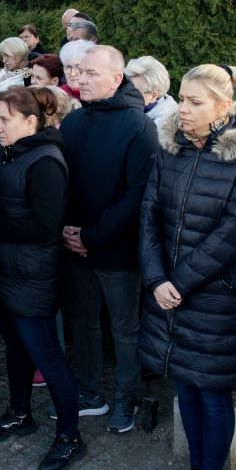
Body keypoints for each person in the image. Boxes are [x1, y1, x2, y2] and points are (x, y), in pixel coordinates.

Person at [138, 65, 236, 470]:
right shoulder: (170, 150)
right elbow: (149, 216)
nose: (183, 110)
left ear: (223, 108)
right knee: (186, 387)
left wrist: (180, 282)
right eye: (181, 98)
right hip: (170, 293)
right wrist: (157, 277)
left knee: (212, 395)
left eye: (196, 102)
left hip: (214, 296)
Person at [0, 87, 86, 470]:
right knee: (15, 349)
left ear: (30, 122)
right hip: (3, 271)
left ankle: (71, 436)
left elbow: (44, 228)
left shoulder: (46, 161)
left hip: (32, 275)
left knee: (47, 356)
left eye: (5, 119)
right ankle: (19, 413)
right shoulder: (6, 155)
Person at [60, 45, 160, 433]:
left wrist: (93, 236)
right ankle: (89, 394)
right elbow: (64, 182)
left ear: (116, 79)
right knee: (82, 323)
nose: (80, 79)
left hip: (116, 250)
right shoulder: (73, 123)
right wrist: (69, 231)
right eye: (79, 72)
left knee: (124, 329)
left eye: (90, 74)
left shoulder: (139, 126)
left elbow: (138, 195)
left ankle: (126, 398)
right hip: (75, 246)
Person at [124, 55, 176, 125]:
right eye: (125, 87)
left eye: (134, 92)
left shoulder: (164, 126)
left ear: (153, 96)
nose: (125, 95)